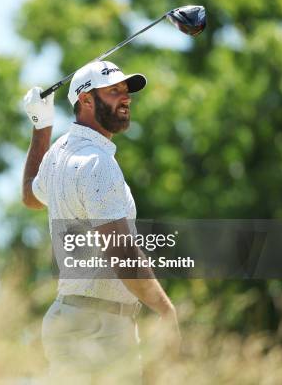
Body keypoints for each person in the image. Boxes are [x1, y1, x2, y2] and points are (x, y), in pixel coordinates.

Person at [22, 61, 180, 383]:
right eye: (113, 91)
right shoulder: (98, 164)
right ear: (86, 101)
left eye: (125, 90)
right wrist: (166, 310)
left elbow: (30, 194)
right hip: (100, 329)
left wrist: (41, 126)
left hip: (68, 318)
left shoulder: (59, 153)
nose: (125, 98)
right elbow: (122, 256)